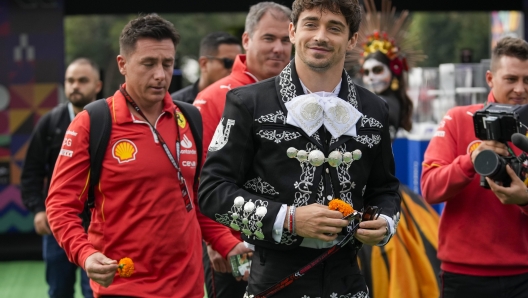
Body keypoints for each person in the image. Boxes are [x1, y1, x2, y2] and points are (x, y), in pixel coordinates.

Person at [198, 0, 401, 297]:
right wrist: (289, 219)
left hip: (349, 279)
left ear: (352, 39)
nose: (320, 36)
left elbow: (385, 188)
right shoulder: (247, 103)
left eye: (334, 28)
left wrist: (382, 221)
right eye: (310, 25)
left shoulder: (374, 108)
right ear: (293, 31)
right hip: (274, 278)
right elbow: (212, 192)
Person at [45, 14, 244, 298]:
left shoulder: (190, 119)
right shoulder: (93, 122)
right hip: (123, 286)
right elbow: (60, 205)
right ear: (122, 64)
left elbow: (198, 199)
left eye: (168, 63)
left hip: (188, 288)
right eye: (149, 63)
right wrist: (85, 254)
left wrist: (228, 243)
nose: (161, 75)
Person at [194, 2, 292, 298]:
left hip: (292, 245)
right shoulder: (213, 98)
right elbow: (198, 179)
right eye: (268, 38)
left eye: (286, 40)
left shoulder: (304, 98)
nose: (278, 48)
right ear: (247, 41)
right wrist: (218, 241)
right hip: (236, 248)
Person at [345, 1, 441, 297]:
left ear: (393, 71)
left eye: (378, 69)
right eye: (366, 71)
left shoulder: (386, 106)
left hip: (375, 191)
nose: (372, 76)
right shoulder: (372, 102)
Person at [421, 36, 528, 298]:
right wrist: (472, 160)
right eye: (511, 79)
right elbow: (430, 188)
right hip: (463, 275)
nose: (521, 89)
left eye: (527, 80)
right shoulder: (459, 118)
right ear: (490, 78)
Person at [20, 57, 101, 298]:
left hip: (99, 224)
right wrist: (38, 209)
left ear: (97, 85)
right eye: (70, 81)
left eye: (83, 80)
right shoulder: (50, 123)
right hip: (59, 223)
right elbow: (31, 172)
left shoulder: (109, 120)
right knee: (59, 290)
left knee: (95, 291)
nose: (75, 86)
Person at [171, 31, 242, 104]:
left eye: (239, 63)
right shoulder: (175, 104)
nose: (234, 68)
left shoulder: (243, 102)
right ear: (204, 64)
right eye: (228, 62)